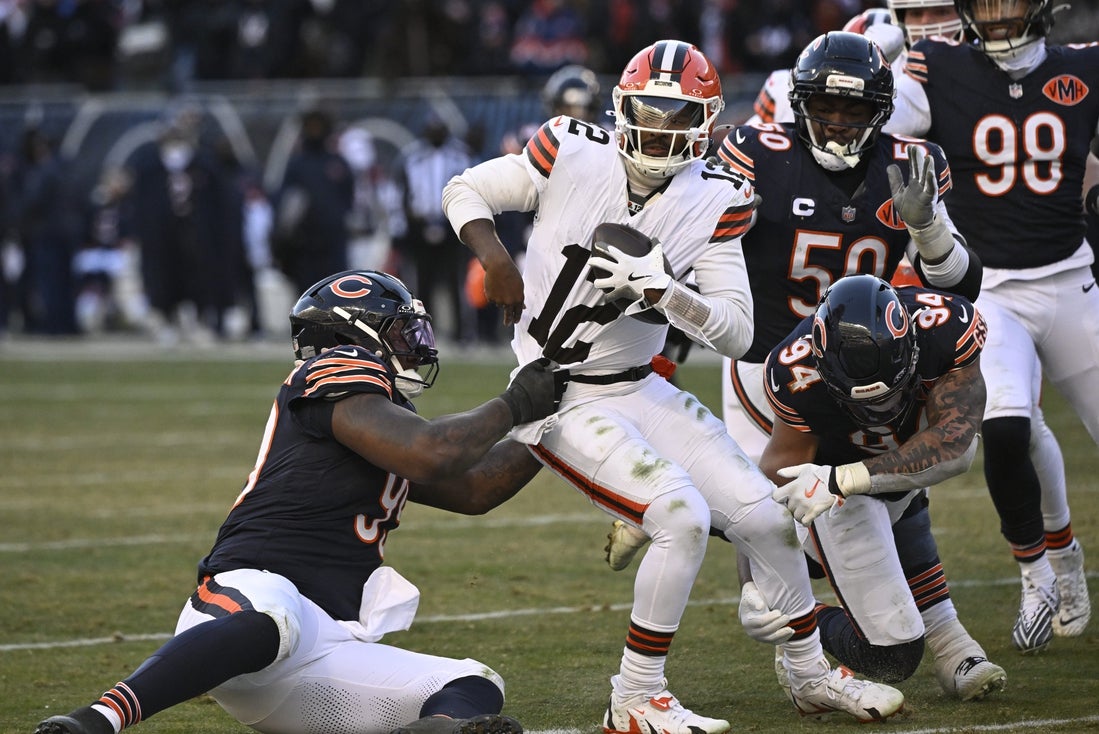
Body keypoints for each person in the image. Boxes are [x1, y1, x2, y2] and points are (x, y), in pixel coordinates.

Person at [443, 39, 905, 730]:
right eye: (648, 110)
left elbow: (737, 332)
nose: (659, 127)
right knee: (680, 516)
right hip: (556, 392)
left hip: (640, 385)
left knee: (768, 516)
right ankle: (634, 696)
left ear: (706, 121)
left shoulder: (717, 196)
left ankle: (809, 674)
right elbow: (464, 188)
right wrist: (494, 257)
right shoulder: (570, 146)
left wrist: (664, 292)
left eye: (677, 114)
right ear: (621, 107)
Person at [34, 269, 569, 734]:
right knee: (275, 619)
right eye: (400, 330)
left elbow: (475, 487)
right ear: (354, 335)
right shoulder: (332, 371)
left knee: (471, 684)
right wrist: (515, 403)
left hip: (320, 648)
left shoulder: (385, 418)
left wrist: (562, 422)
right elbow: (434, 452)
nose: (416, 345)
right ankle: (97, 719)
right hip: (248, 600)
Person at [604, 31, 983, 569]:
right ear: (801, 103)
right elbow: (692, 245)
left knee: (881, 500)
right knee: (771, 518)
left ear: (880, 110)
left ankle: (679, 496)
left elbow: (960, 288)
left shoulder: (910, 163)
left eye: (853, 109)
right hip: (767, 361)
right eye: (825, 107)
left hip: (865, 366)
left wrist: (929, 230)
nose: (837, 122)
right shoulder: (758, 152)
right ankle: (739, 572)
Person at [884, 0, 1098, 652]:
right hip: (991, 288)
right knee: (1005, 426)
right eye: (986, 5)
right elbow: (877, 130)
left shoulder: (1083, 66)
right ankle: (1039, 573)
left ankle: (1063, 561)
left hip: (1071, 278)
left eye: (1010, 3)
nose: (999, 17)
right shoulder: (934, 65)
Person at [748, 274, 1006, 702]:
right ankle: (798, 620)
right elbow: (773, 478)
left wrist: (848, 477)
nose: (880, 408)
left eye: (890, 393)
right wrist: (751, 581)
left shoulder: (944, 327)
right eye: (863, 401)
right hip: (833, 494)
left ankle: (951, 643)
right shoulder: (795, 372)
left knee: (905, 493)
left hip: (867, 472)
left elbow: (955, 446)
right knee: (893, 657)